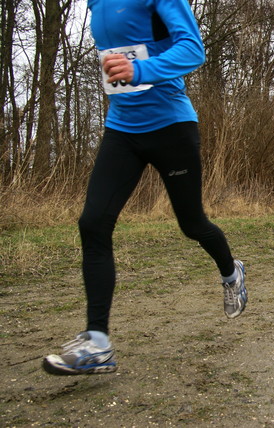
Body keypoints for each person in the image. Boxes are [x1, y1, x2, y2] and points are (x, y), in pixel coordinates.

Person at [42, 0, 247, 376]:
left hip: (171, 127)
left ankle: (231, 273)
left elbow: (192, 48)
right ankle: (97, 344)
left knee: (192, 224)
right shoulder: (96, 5)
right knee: (92, 223)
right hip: (121, 128)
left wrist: (140, 69)